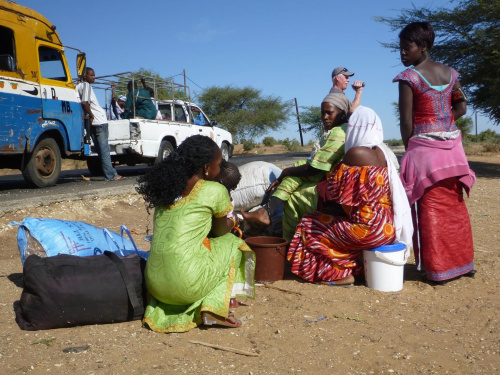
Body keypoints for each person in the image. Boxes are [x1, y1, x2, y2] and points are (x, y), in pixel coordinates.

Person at [136, 135, 255, 332]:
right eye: (218, 164)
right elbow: (219, 231)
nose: (219, 169)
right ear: (207, 167)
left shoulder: (164, 190)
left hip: (155, 286)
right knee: (232, 244)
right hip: (186, 286)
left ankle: (179, 302)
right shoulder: (213, 190)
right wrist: (234, 220)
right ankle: (213, 309)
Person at [287, 106, 413, 286]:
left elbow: (335, 191)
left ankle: (336, 274)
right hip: (387, 227)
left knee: (309, 223)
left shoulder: (356, 153)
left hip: (367, 230)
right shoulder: (383, 154)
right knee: (336, 223)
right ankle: (354, 270)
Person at [393, 22, 476, 283]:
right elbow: (461, 106)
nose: (403, 54)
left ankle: (438, 269)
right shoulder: (451, 74)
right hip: (453, 151)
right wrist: (443, 123)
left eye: (408, 48)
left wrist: (411, 150)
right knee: (454, 207)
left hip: (425, 153)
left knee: (429, 209)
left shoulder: (409, 78)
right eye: (401, 48)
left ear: (424, 46)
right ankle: (463, 264)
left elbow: (406, 122)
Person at [242, 93, 350, 241]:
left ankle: (288, 242)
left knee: (293, 198)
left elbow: (316, 169)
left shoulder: (339, 132)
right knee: (299, 167)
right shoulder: (339, 131)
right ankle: (267, 213)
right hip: (328, 179)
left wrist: (285, 172)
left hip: (332, 187)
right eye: (322, 113)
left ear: (342, 113)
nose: (324, 117)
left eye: (329, 113)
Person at [76, 67, 125, 181]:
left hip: (93, 123)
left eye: (94, 75)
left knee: (100, 150)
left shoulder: (79, 87)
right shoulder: (87, 86)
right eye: (91, 75)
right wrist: (92, 115)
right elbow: (85, 103)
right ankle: (111, 175)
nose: (94, 77)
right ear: (85, 77)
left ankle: (112, 173)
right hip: (99, 121)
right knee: (104, 150)